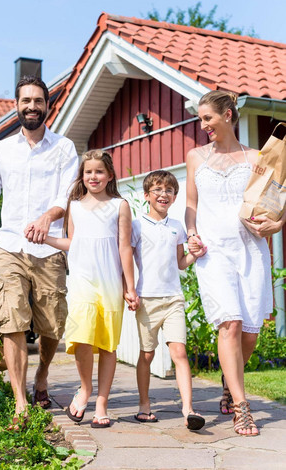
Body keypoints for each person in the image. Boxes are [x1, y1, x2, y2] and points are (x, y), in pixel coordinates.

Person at [0, 75, 79, 424]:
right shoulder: (1, 150)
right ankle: (21, 400)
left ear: (47, 106)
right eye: (26, 100)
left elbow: (66, 198)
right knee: (12, 321)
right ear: (16, 105)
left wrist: (48, 217)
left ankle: (42, 375)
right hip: (9, 246)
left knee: (52, 326)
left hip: (49, 249)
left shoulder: (64, 148)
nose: (32, 106)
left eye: (38, 100)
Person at [185, 90, 286, 436]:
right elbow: (191, 205)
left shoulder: (258, 157)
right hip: (213, 253)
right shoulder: (195, 157)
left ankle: (231, 383)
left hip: (252, 250)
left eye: (207, 118)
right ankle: (242, 408)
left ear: (228, 115)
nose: (203, 125)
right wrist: (190, 233)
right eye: (200, 119)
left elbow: (276, 200)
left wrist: (279, 223)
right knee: (229, 323)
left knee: (250, 333)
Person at [34, 149, 139, 428]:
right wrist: (47, 240)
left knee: (107, 344)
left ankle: (102, 402)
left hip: (110, 283)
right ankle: (85, 389)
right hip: (81, 281)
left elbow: (125, 248)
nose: (93, 176)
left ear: (110, 176)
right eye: (88, 171)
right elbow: (72, 242)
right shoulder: (75, 206)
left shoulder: (120, 205)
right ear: (82, 175)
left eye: (99, 171)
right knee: (80, 337)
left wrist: (130, 287)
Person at [131, 170, 206, 430]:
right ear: (147, 195)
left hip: (173, 298)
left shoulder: (177, 227)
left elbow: (181, 263)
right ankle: (144, 405)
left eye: (170, 191)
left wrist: (196, 254)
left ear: (175, 197)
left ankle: (188, 409)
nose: (164, 194)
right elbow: (126, 261)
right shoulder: (136, 224)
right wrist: (129, 290)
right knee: (148, 354)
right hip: (147, 299)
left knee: (180, 352)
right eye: (158, 190)